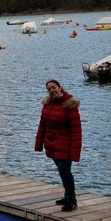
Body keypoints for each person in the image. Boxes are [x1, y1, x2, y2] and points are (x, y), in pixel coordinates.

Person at [35, 79, 82, 211]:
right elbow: (42, 127)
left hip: (66, 146)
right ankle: (67, 197)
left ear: (60, 88)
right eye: (49, 89)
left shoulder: (70, 106)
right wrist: (39, 145)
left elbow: (76, 130)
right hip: (52, 146)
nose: (52, 91)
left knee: (65, 171)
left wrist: (75, 151)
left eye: (53, 87)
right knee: (63, 173)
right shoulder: (47, 106)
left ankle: (72, 201)